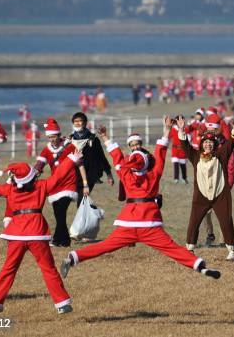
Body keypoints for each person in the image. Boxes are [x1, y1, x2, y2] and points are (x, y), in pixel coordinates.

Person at [60, 117, 221, 282]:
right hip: (149, 222)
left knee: (104, 246)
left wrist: (105, 137)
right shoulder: (154, 174)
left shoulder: (125, 173)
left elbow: (116, 156)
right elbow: (161, 150)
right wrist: (166, 129)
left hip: (128, 221)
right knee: (172, 248)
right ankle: (200, 266)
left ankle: (73, 258)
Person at [0, 152, 80, 314]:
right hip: (37, 233)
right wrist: (71, 159)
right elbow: (59, 175)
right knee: (48, 269)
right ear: (32, 177)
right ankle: (62, 303)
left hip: (16, 234)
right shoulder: (42, 185)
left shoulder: (10, 190)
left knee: (8, 269)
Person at [179, 116, 234, 260]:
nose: (208, 145)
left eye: (210, 143)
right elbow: (186, 146)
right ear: (202, 144)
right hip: (201, 195)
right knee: (194, 221)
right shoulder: (196, 156)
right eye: (205, 142)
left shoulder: (221, 155)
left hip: (220, 195)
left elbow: (230, 144)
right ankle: (190, 249)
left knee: (226, 221)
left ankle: (231, 250)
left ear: (214, 145)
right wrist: (182, 130)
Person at [35, 118, 83, 247]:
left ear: (59, 135)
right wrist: (31, 175)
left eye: (54, 136)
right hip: (55, 185)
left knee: (61, 210)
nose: (52, 139)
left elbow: (80, 165)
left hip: (69, 184)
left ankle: (57, 239)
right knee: (58, 213)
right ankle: (65, 241)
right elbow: (39, 166)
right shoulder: (47, 150)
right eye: (49, 137)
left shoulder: (69, 146)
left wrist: (85, 183)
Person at [69, 112, 114, 207]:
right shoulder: (70, 139)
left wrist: (109, 174)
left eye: (80, 121)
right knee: (80, 201)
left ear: (85, 123)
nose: (77, 123)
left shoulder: (93, 139)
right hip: (74, 175)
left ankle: (86, 218)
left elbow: (101, 157)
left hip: (90, 174)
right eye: (75, 121)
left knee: (81, 201)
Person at [169, 116, 189, 184]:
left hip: (182, 150)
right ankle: (176, 178)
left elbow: (189, 136)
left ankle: (184, 178)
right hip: (175, 149)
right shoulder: (173, 129)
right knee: (176, 164)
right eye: (178, 120)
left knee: (183, 165)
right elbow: (169, 136)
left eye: (181, 120)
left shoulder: (186, 129)